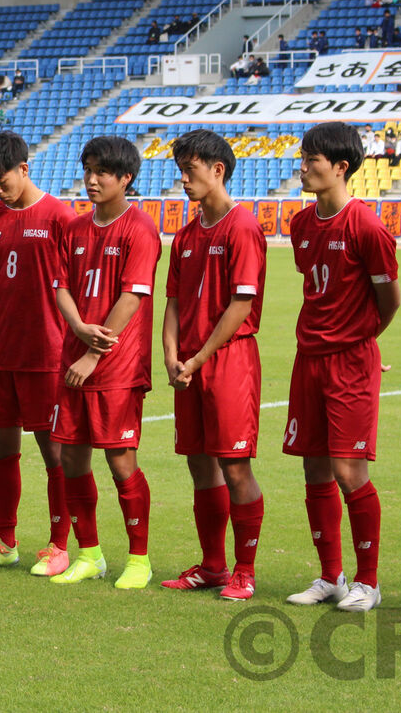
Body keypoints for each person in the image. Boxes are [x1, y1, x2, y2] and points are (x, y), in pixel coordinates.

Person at [284, 122, 400, 613]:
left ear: (340, 167)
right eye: (303, 157)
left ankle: (367, 582)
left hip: (350, 362)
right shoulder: (301, 223)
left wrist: (360, 340)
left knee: (348, 470)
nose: (304, 166)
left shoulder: (367, 227)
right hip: (307, 359)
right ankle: (331, 576)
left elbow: (388, 300)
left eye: (313, 159)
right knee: (313, 467)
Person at [0, 131, 75, 575]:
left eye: (2, 179)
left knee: (54, 453)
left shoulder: (59, 217)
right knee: (3, 447)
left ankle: (59, 545)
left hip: (45, 353)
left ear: (24, 169)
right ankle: (4, 540)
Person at [161, 129, 267, 601]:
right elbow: (174, 303)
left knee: (235, 466)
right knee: (200, 467)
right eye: (180, 171)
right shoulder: (185, 236)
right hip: (189, 365)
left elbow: (241, 306)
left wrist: (198, 357)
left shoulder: (243, 227)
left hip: (228, 362)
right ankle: (213, 566)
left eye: (191, 170)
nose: (183, 180)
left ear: (217, 170)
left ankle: (244, 570)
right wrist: (169, 355)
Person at [52, 136, 161, 589]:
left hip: (116, 367)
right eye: (88, 170)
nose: (92, 180)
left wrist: (95, 354)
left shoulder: (140, 229)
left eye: (102, 173)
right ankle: (90, 554)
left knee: (120, 463)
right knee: (71, 459)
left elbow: (132, 296)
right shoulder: (74, 229)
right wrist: (77, 328)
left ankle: (139, 560)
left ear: (125, 179)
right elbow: (60, 287)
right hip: (73, 360)